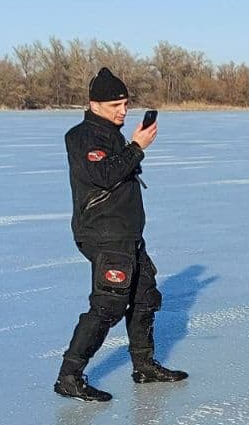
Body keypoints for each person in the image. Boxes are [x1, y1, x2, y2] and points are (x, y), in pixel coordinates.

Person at [55, 67, 187, 402]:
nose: (123, 111)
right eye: (115, 105)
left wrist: (131, 146)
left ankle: (143, 366)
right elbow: (104, 174)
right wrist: (138, 146)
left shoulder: (112, 135)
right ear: (94, 104)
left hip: (126, 233)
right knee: (108, 304)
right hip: (104, 233)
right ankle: (69, 376)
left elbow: (120, 169)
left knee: (144, 296)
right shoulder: (83, 136)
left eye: (125, 104)